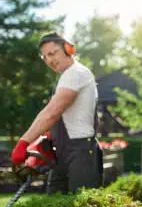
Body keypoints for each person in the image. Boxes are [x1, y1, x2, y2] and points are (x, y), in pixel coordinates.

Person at [11, 31, 103, 194]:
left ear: (68, 49)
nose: (50, 60)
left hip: (80, 150)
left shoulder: (76, 73)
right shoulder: (66, 77)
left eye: (53, 53)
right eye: (45, 57)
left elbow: (53, 112)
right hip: (62, 150)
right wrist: (45, 139)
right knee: (55, 203)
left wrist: (23, 143)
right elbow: (61, 117)